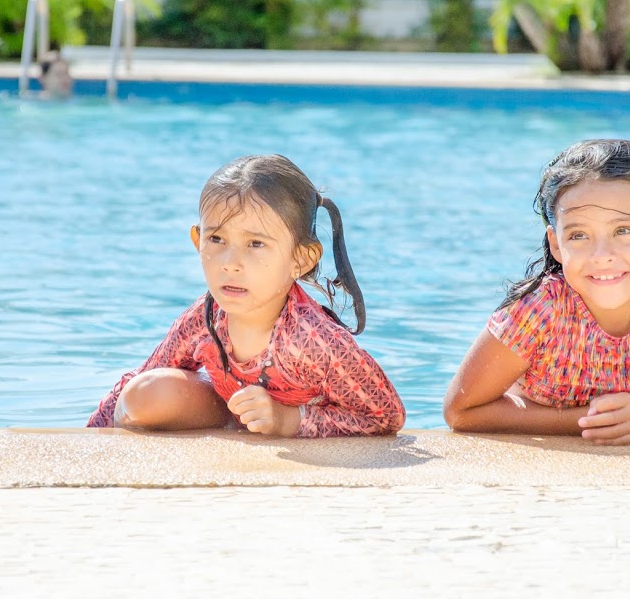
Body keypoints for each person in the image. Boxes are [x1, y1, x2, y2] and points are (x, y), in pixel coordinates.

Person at [87, 154, 405, 437]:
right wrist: (92, 437)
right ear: (198, 241)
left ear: (301, 259)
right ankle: (231, 422)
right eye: (216, 239)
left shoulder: (316, 342)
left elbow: (386, 415)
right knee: (142, 393)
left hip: (294, 420)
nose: (231, 264)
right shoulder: (206, 316)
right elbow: (147, 372)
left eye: (255, 244)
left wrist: (289, 420)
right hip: (225, 411)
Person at [443, 139, 630, 445]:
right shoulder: (539, 312)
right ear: (556, 244)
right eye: (579, 235)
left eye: (623, 231)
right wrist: (587, 423)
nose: (601, 254)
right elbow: (462, 411)